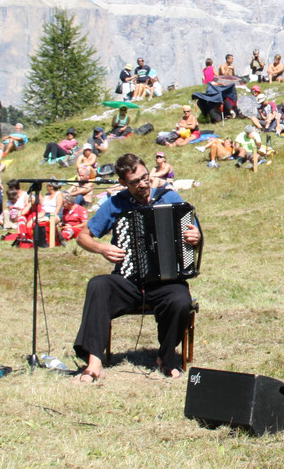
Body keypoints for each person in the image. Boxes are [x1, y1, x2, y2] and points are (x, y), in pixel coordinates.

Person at [72, 153, 201, 382]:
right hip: (128, 281)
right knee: (98, 285)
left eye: (145, 177)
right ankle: (94, 362)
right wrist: (102, 248)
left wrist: (195, 236)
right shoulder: (115, 204)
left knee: (180, 300)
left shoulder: (169, 196)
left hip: (167, 281)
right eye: (135, 182)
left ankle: (166, 357)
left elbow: (195, 232)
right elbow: (83, 237)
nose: (143, 184)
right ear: (123, 183)